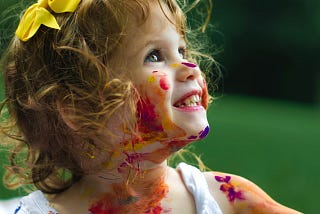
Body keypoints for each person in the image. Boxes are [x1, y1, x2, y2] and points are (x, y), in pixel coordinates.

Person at [0, 0, 302, 213]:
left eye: (181, 49)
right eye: (154, 55)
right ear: (77, 109)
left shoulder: (225, 198)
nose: (188, 66)